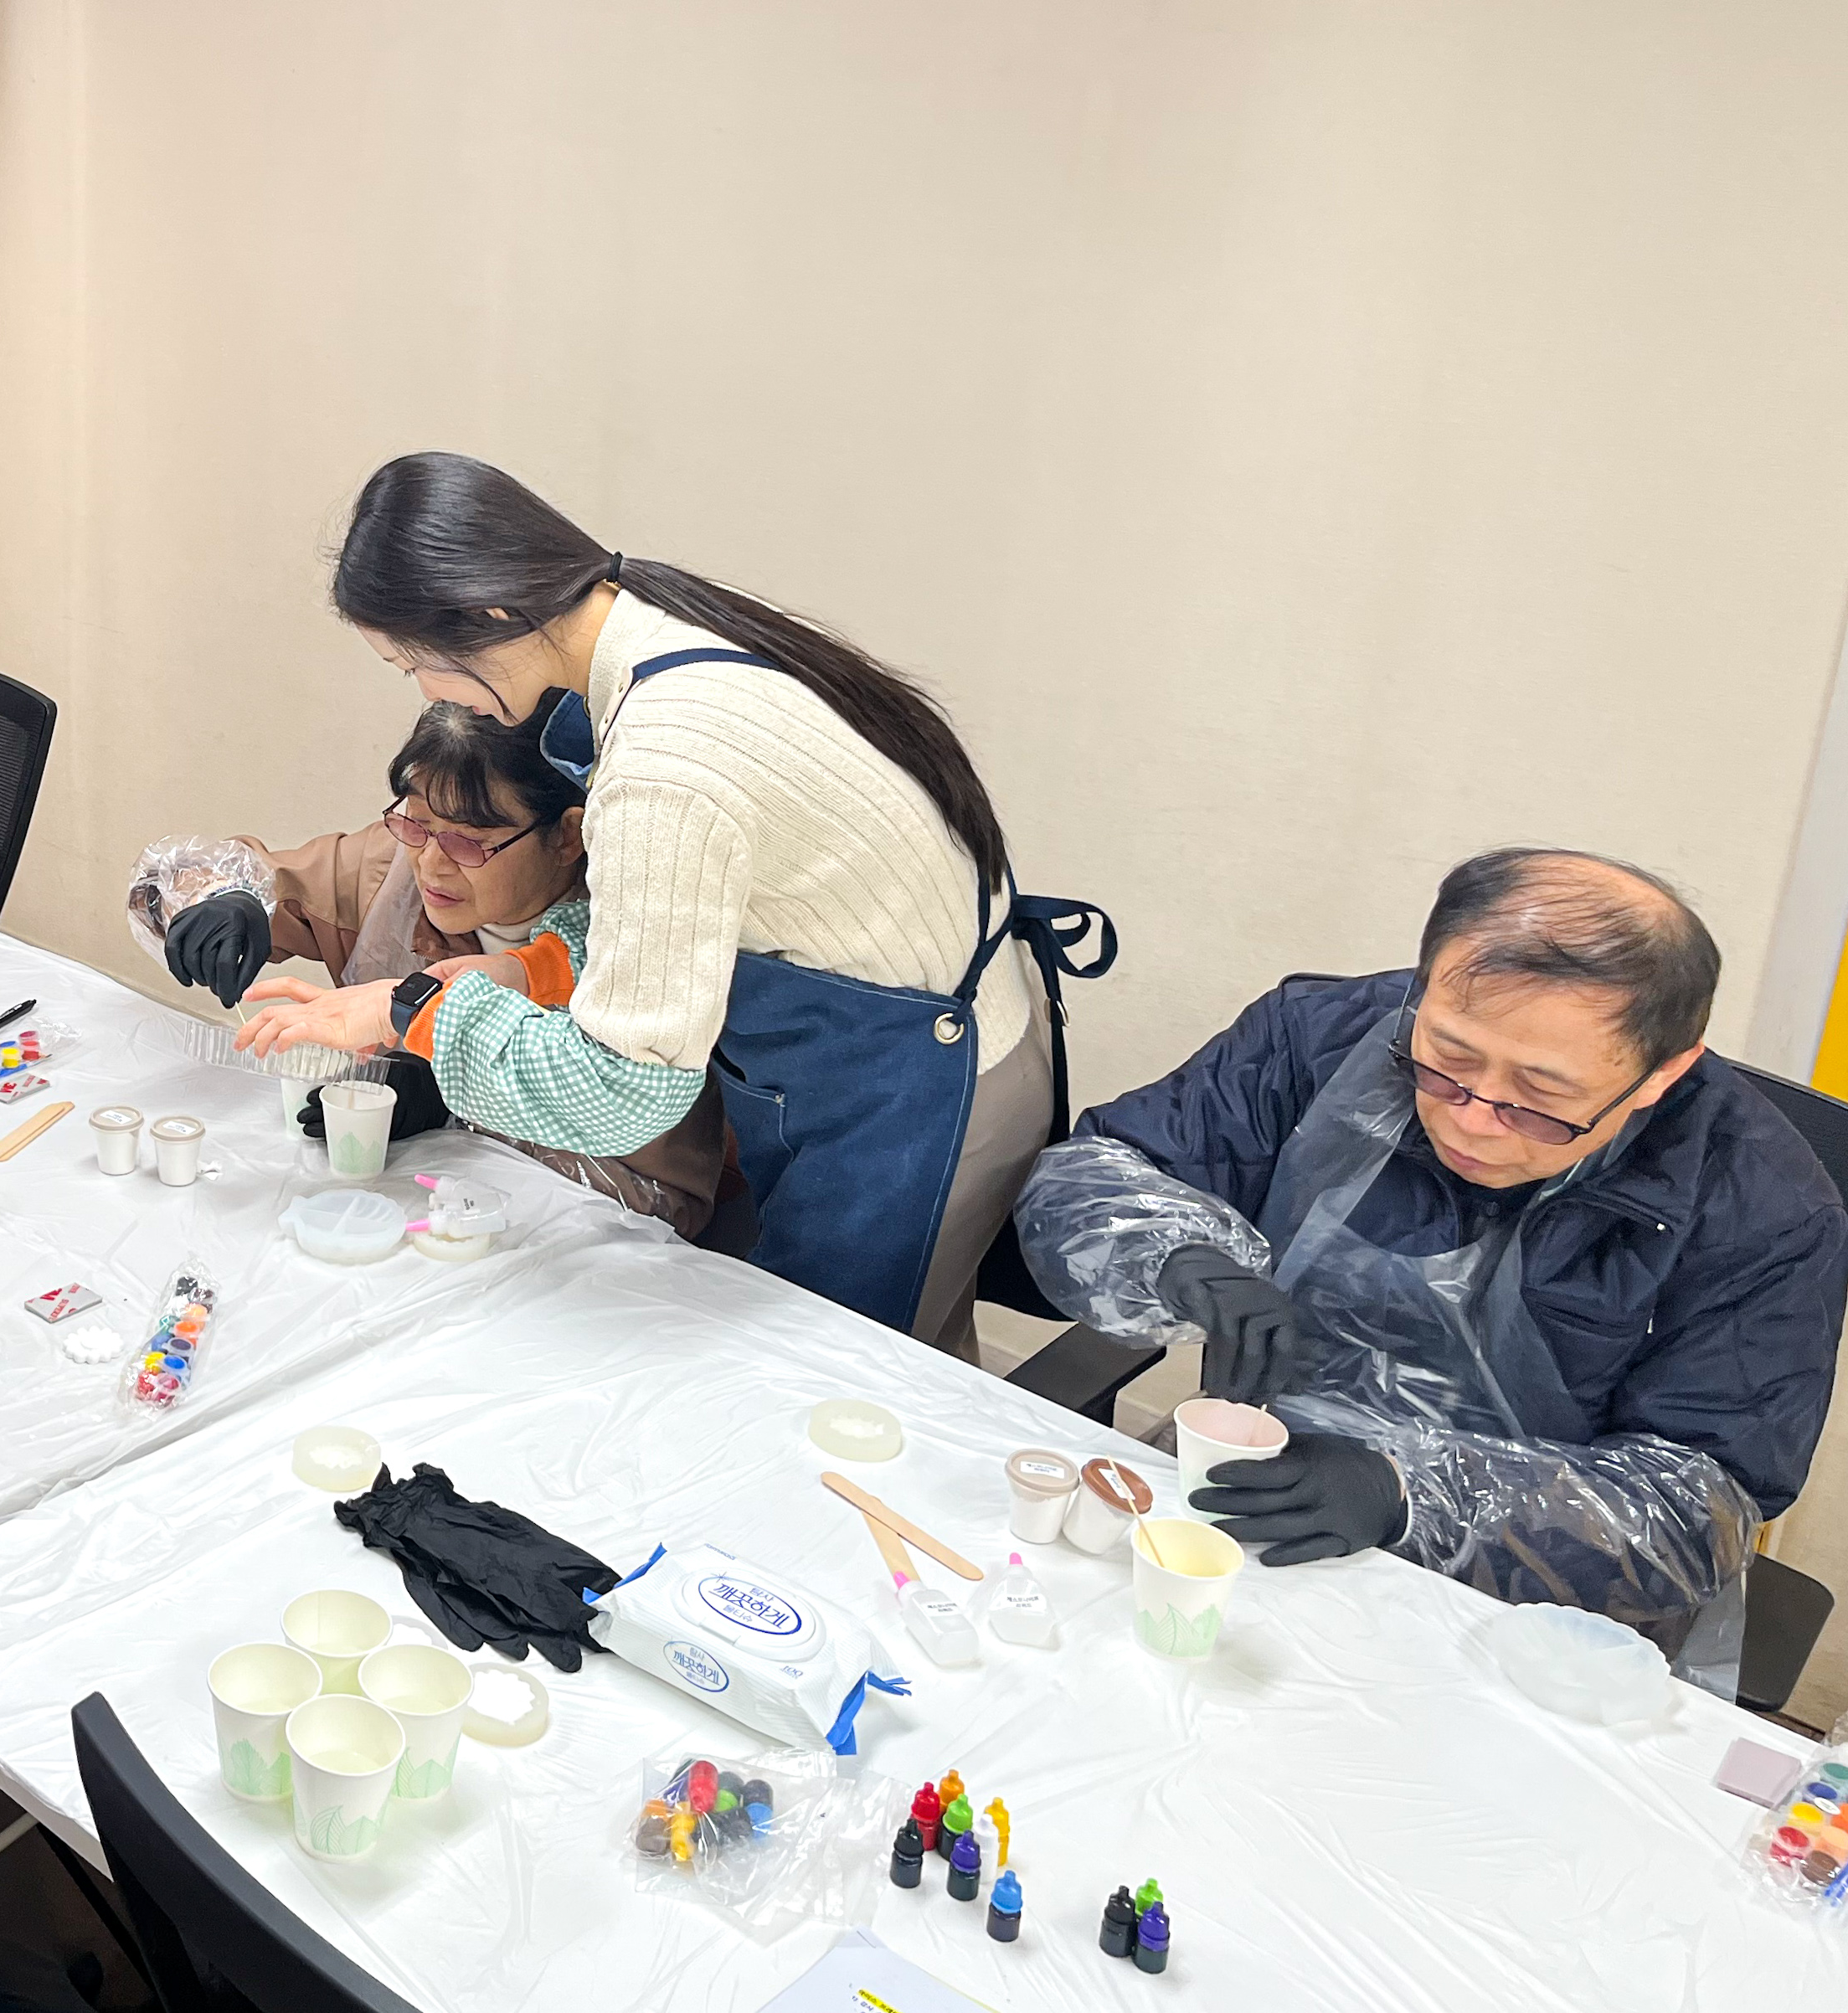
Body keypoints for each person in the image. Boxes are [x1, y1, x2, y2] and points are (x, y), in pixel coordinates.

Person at [238, 452, 1108, 1350]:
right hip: (912, 1040)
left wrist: (410, 1012)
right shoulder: (661, 626)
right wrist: (514, 974)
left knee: (854, 1372)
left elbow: (625, 1090)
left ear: (490, 614)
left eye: (411, 664)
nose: (427, 692)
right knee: (872, 1360)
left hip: (915, 1083)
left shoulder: (664, 756)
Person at [1014, 849, 1848, 1691]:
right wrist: (1174, 1256)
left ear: (1660, 1073)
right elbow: (1095, 1175)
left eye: (1537, 1098)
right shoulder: (1322, 1034)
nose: (1472, 1121)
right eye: (1446, 1059)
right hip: (1251, 1501)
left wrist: (1413, 1491)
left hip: (1535, 1621)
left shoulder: (1765, 1208)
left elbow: (1693, 1508)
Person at [146, 701, 734, 1238]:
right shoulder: (387, 871)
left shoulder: (642, 941)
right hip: (412, 1214)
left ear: (566, 836)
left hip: (584, 1238)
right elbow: (200, 874)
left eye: (469, 841)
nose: (430, 864)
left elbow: (660, 1194)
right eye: (415, 823)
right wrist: (221, 898)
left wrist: (454, 1099)